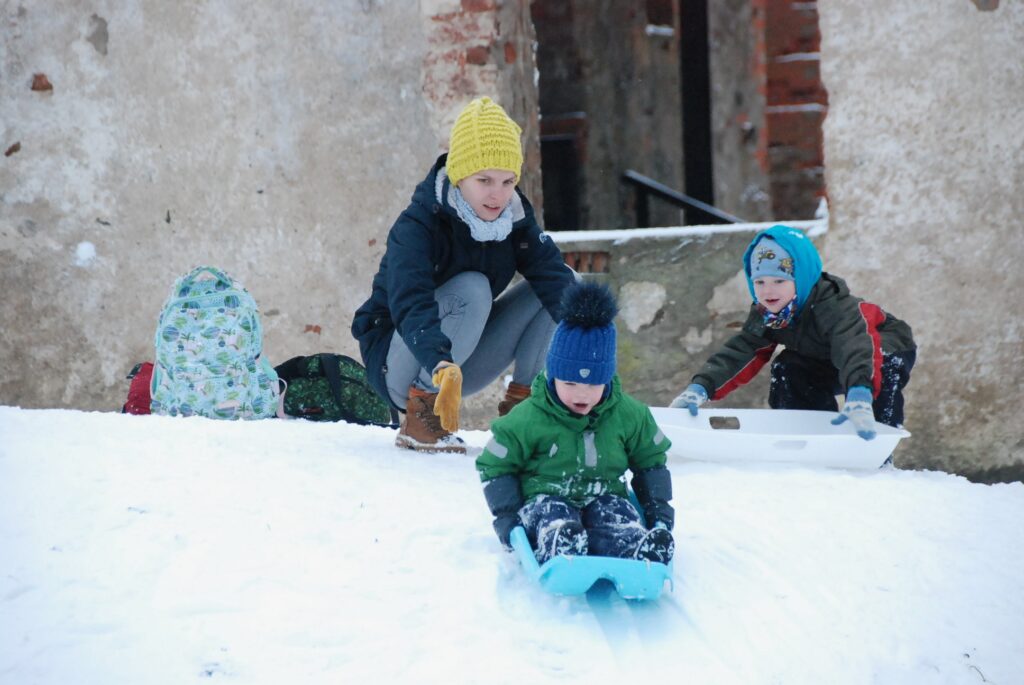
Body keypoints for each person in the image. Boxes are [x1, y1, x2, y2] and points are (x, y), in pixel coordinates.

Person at [351, 97, 576, 454]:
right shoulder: (419, 225)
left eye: (507, 181)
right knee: (473, 288)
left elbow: (553, 278)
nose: (497, 194)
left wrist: (597, 349)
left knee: (566, 289)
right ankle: (423, 416)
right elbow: (410, 302)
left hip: (462, 362)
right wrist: (438, 362)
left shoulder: (513, 219)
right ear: (459, 175)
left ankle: (527, 411)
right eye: (484, 179)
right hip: (405, 365)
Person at [476, 281, 675, 565]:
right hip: (546, 496)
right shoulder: (527, 417)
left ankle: (636, 548)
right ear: (553, 375)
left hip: (604, 494)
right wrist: (508, 519)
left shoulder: (630, 415)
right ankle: (560, 543)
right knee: (551, 515)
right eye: (570, 383)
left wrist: (659, 515)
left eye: (593, 384)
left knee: (616, 515)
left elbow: (651, 462)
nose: (582, 394)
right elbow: (495, 465)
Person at [671, 224, 916, 442]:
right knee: (788, 367)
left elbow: (854, 346)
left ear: (801, 278)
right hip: (826, 356)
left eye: (779, 281)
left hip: (878, 343)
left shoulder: (835, 307)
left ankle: (878, 442)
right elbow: (743, 350)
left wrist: (860, 393)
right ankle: (811, 436)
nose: (768, 291)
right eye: (759, 282)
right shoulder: (768, 312)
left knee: (881, 362)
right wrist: (700, 388)